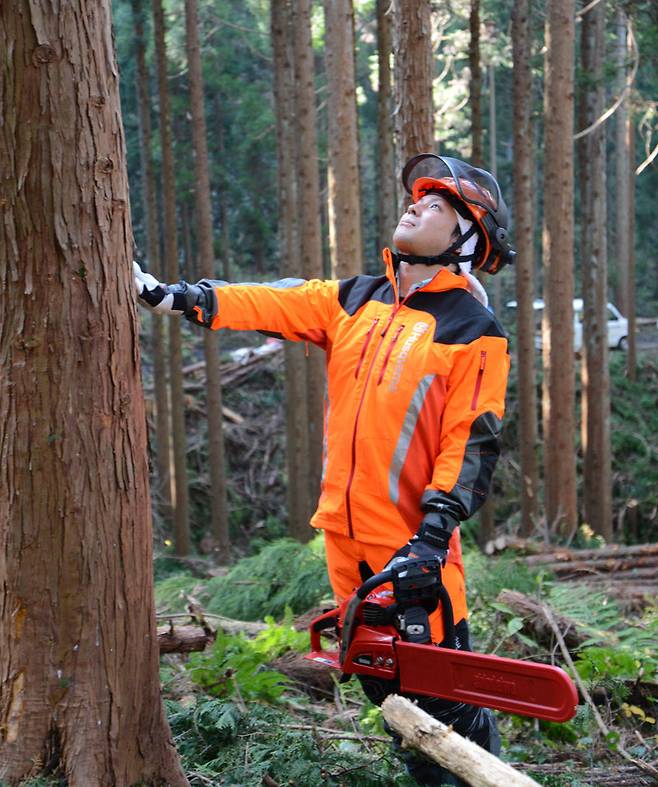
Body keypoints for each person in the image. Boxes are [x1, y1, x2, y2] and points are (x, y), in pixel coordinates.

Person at [134, 154, 515, 786]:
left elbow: (471, 442)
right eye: (417, 199)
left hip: (414, 552)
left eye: (438, 206)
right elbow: (274, 300)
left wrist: (433, 533)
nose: (416, 206)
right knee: (388, 699)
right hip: (345, 543)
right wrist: (177, 296)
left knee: (443, 710)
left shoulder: (472, 329)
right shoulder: (355, 299)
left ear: (464, 240)